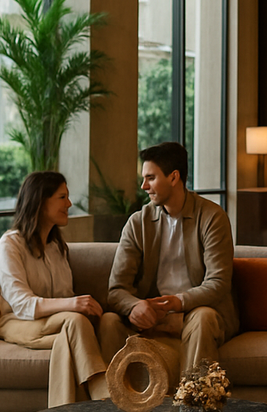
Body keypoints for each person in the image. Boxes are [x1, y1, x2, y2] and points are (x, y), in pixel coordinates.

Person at [99, 142, 239, 377]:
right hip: (153, 318)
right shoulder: (138, 223)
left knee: (203, 318)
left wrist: (177, 303)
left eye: (150, 178)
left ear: (174, 177)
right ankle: (116, 398)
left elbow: (218, 283)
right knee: (109, 322)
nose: (144, 186)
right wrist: (135, 306)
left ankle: (194, 397)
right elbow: (117, 289)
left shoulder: (212, 217)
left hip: (196, 313)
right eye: (144, 179)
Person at [0, 171, 109, 408]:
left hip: (57, 322)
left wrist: (79, 307)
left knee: (97, 325)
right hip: (18, 321)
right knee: (75, 321)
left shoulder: (56, 247)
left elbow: (64, 296)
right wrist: (74, 304)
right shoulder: (9, 245)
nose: (69, 204)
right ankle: (105, 396)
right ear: (40, 201)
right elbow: (22, 305)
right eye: (62, 197)